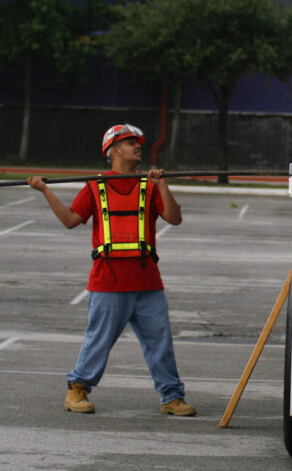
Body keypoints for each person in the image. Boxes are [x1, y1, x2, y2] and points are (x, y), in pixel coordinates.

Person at [27, 123, 196, 416]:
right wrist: (44, 190)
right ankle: (77, 389)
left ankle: (172, 397)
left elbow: (174, 218)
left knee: (160, 343)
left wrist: (162, 185)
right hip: (108, 282)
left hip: (148, 282)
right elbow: (70, 220)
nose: (138, 146)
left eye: (137, 142)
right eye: (131, 142)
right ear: (114, 150)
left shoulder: (150, 185)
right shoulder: (95, 186)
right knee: (99, 341)